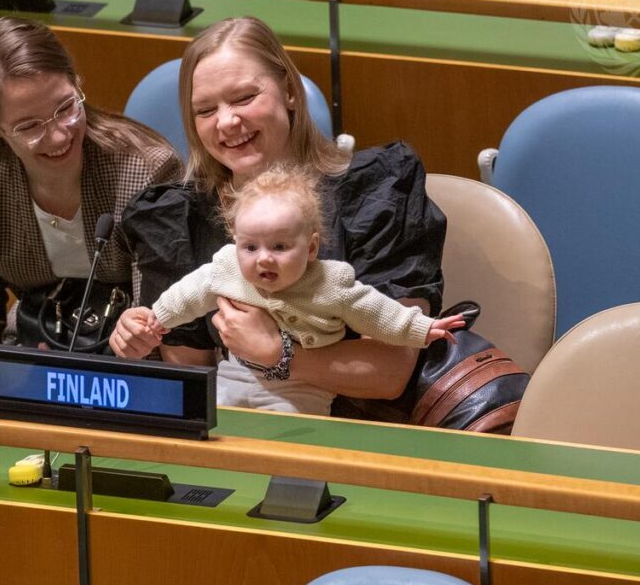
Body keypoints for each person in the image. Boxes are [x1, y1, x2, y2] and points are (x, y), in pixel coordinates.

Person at [111, 16, 447, 418]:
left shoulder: (376, 191)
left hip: (357, 431)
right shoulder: (177, 218)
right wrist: (140, 337)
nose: (227, 122)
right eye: (205, 110)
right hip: (236, 429)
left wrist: (274, 353)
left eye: (243, 98)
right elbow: (192, 375)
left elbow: (389, 373)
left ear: (289, 90)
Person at [126, 166, 464, 414]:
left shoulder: (332, 284)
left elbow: (378, 314)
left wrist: (423, 327)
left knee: (289, 436)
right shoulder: (227, 267)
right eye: (251, 247)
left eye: (279, 246)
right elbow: (188, 294)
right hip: (237, 371)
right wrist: (157, 318)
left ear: (311, 248)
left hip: (303, 386)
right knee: (212, 421)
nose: (263, 259)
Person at [0, 17, 183, 347]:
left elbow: (160, 310)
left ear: (77, 83)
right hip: (36, 335)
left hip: (131, 352)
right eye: (29, 126)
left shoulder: (145, 170)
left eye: (66, 107)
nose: (57, 135)